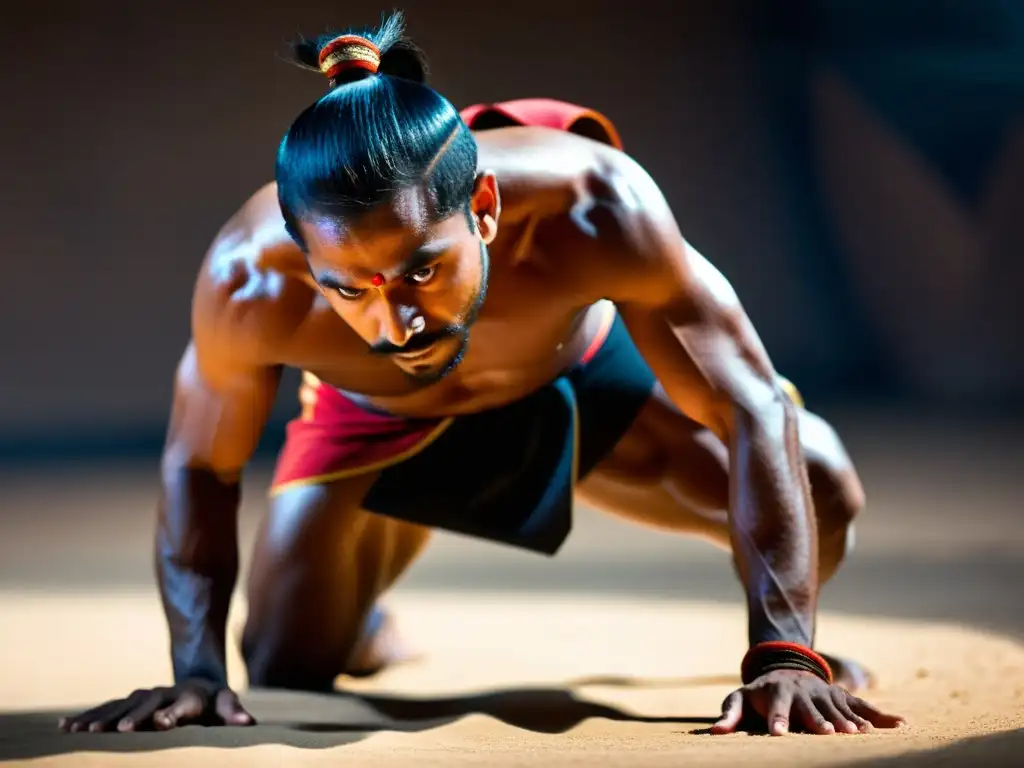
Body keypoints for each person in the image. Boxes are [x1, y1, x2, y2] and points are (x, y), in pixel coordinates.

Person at [59, 12, 904, 737]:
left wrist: (785, 651)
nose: (398, 324)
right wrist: (196, 669)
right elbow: (200, 463)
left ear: (487, 209)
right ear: (303, 253)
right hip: (377, 427)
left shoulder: (594, 204)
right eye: (350, 288)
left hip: (574, 382)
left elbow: (752, 403)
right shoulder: (250, 281)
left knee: (825, 487)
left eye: (423, 270)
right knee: (281, 667)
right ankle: (369, 619)